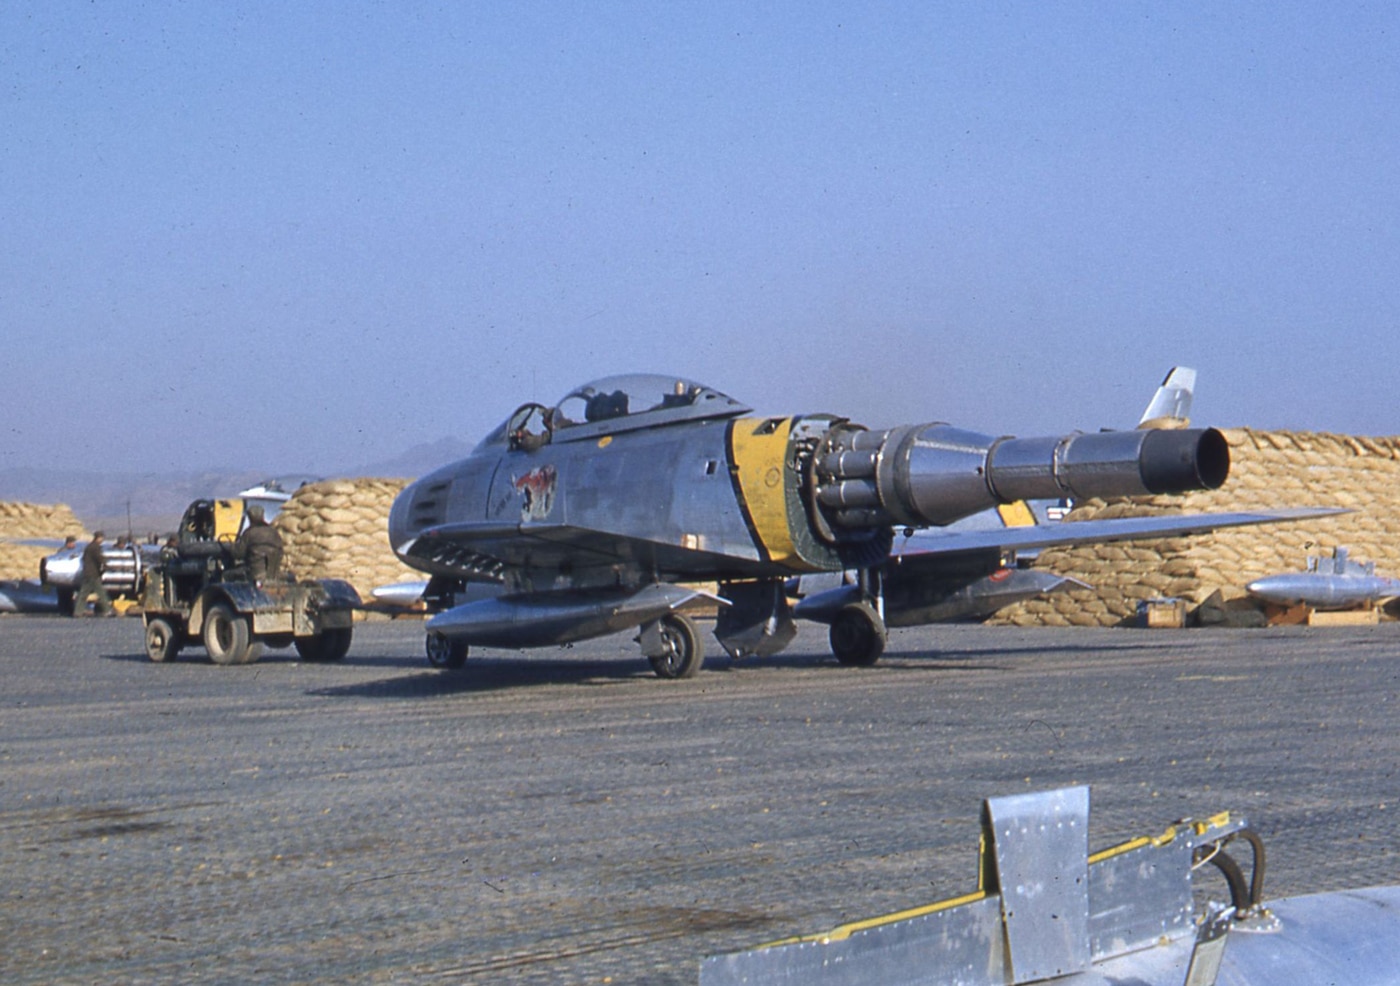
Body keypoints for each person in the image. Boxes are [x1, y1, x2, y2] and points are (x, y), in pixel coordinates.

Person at [235, 505, 283, 585]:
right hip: (273, 576)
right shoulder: (274, 532)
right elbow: (280, 551)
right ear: (263, 517)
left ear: (250, 518)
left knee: (228, 575)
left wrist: (231, 548)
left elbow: (239, 553)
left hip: (254, 575)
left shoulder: (249, 533)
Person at [75, 531, 113, 617]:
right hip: (93, 574)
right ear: (98, 538)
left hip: (87, 573)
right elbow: (99, 558)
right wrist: (106, 565)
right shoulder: (95, 547)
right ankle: (107, 610)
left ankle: (78, 611)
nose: (102, 540)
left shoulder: (88, 547)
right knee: (101, 593)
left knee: (83, 593)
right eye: (102, 538)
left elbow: (85, 559)